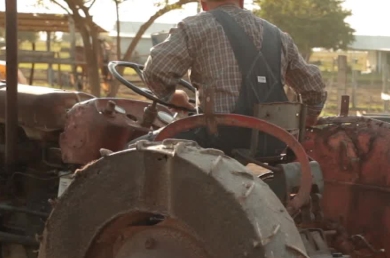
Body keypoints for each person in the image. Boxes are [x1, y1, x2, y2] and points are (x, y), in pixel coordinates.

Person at [139, 0, 327, 154]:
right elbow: (315, 89)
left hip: (218, 139)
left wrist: (172, 97)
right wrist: (307, 120)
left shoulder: (194, 26)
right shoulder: (279, 36)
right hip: (274, 140)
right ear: (241, 2)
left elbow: (156, 72)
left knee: (135, 147)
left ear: (203, 4)